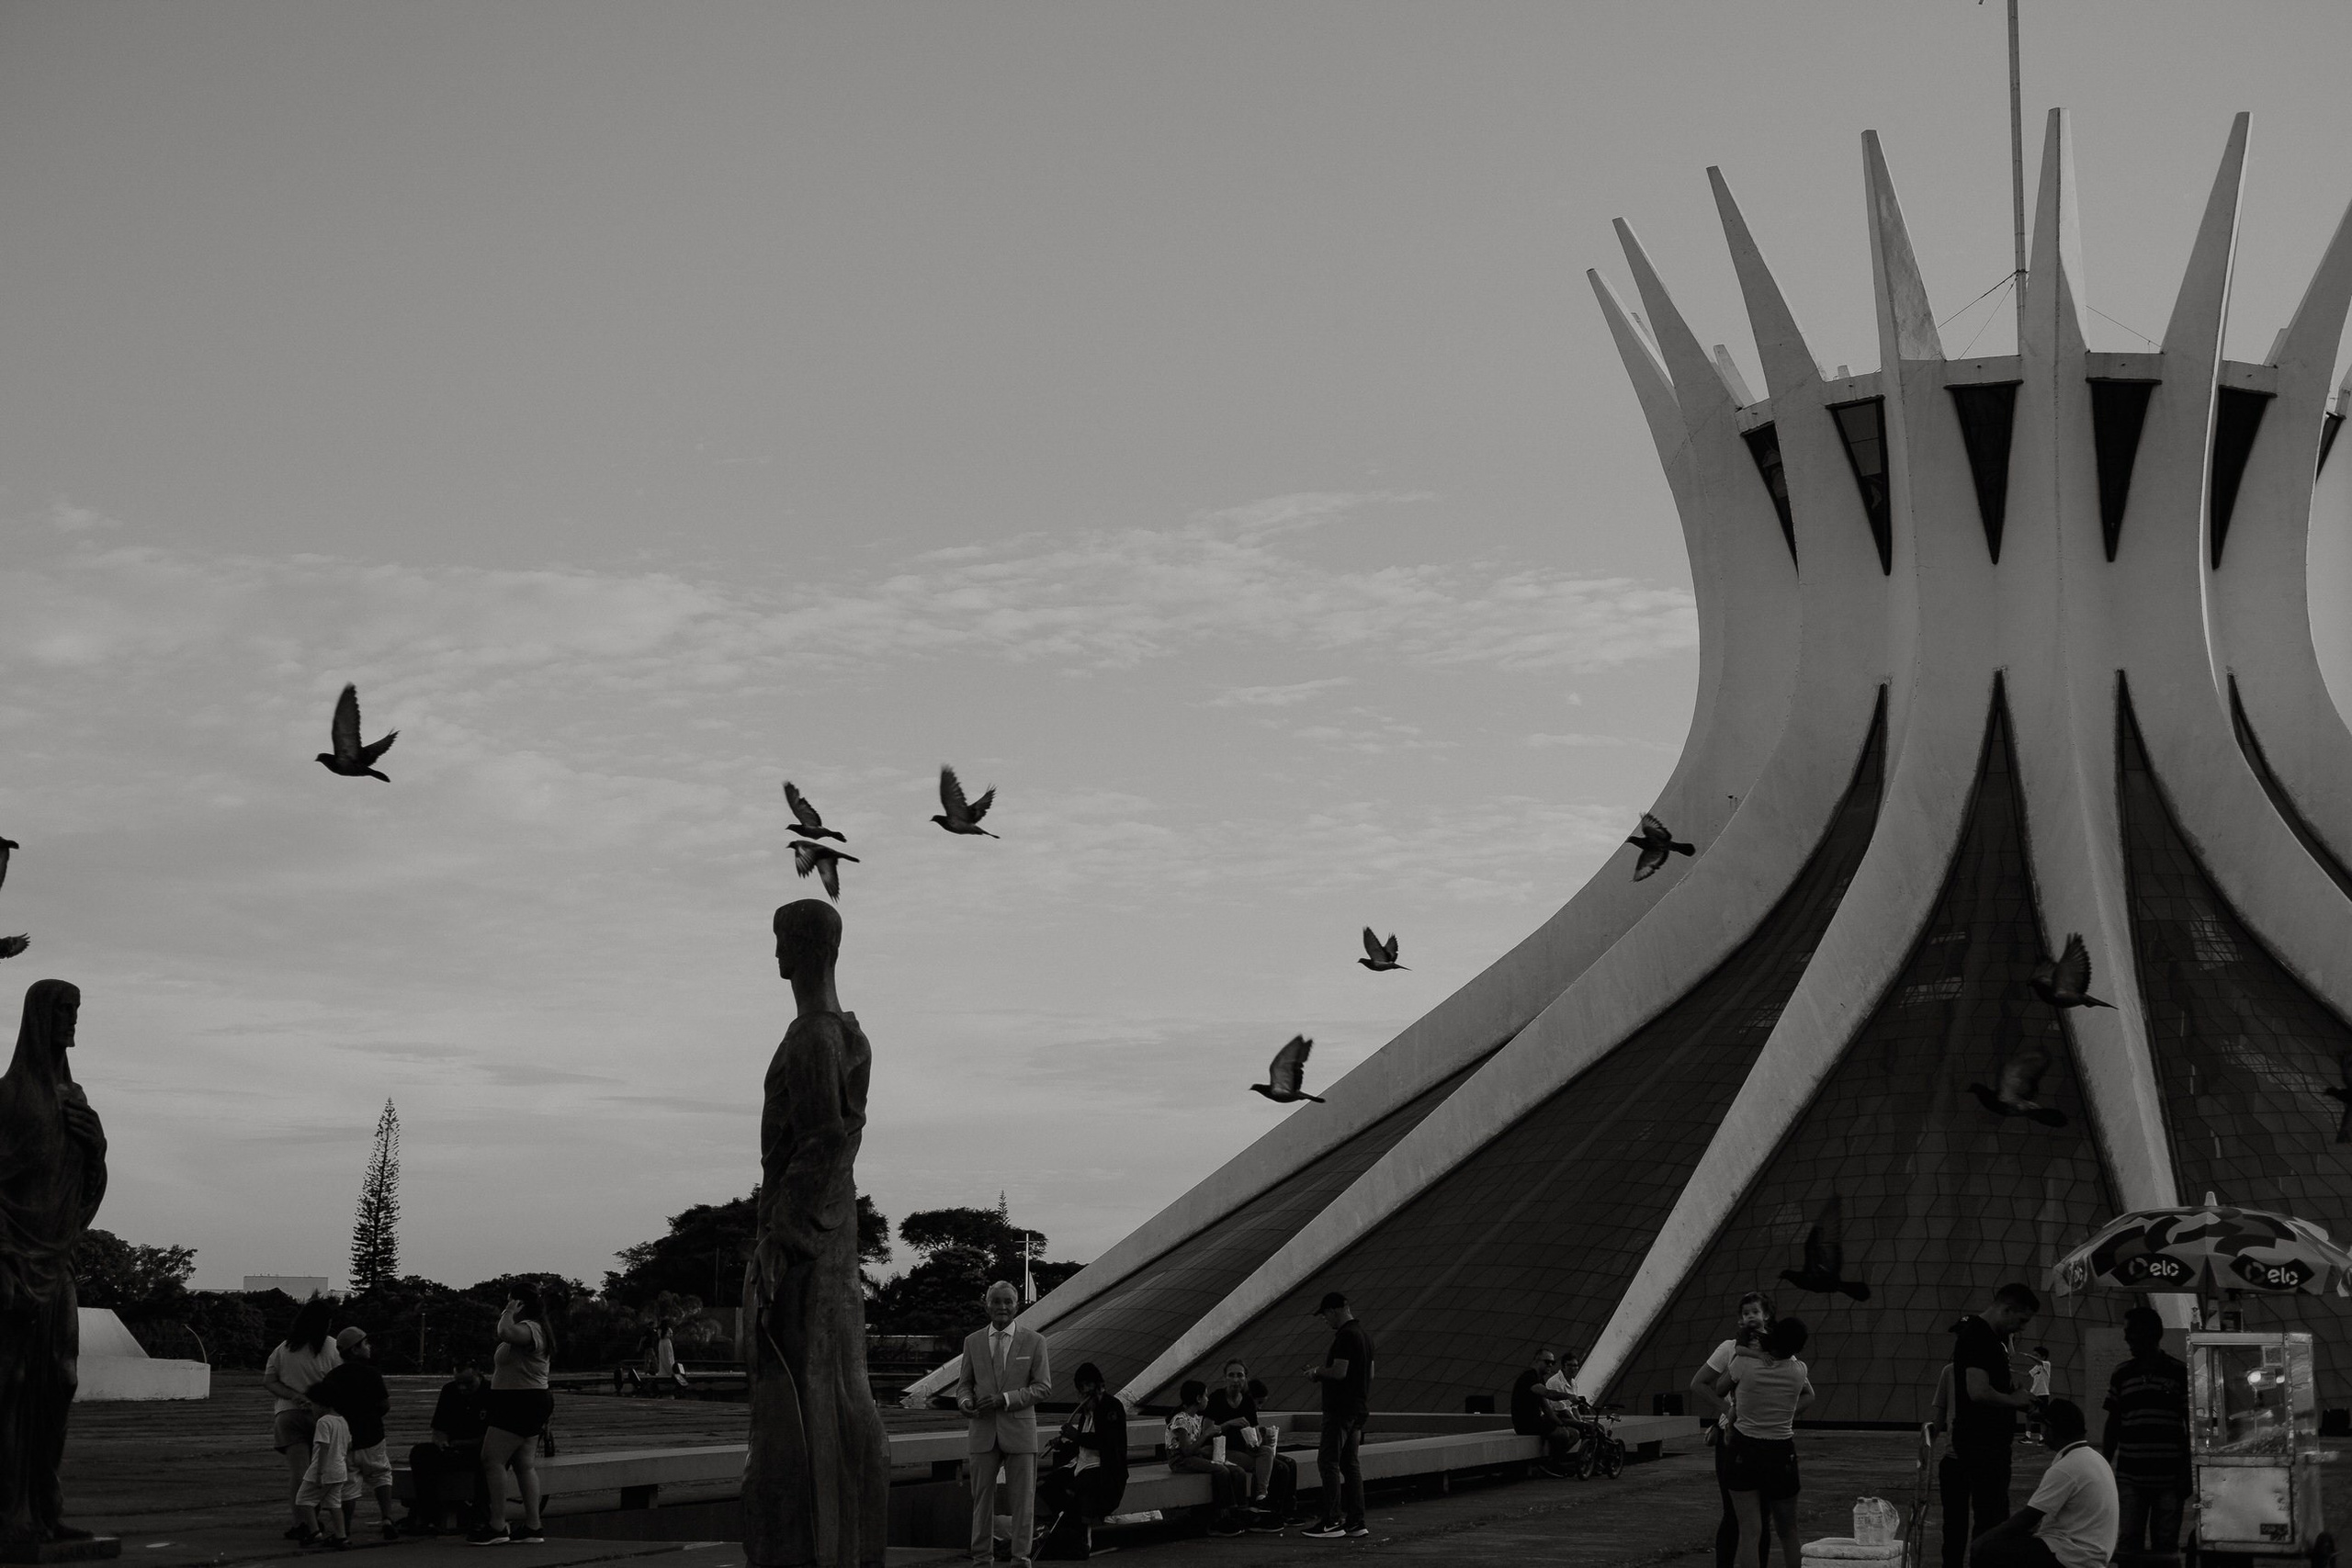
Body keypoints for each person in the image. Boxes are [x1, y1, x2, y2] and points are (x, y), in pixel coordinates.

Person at [0, 978, 109, 1551]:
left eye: (76, 1010)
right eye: (64, 1010)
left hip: (55, 1262)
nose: (72, 1020)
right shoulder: (11, 1098)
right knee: (10, 1388)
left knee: (59, 1382)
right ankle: (9, 1514)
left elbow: (83, 1195)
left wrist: (96, 1148)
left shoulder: (75, 1099)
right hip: (12, 1266)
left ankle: (45, 1509)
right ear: (40, 1017)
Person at [958, 1280, 1052, 1568]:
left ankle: (1020, 1558)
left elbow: (1043, 1387)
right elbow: (964, 1385)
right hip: (983, 1431)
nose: (1002, 1307)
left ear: (1017, 1305)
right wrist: (964, 1403)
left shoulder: (1035, 1341)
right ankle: (981, 1558)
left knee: (1023, 1501)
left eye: (1007, 1302)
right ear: (986, 1305)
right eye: (996, 1302)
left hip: (1020, 1431)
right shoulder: (973, 1342)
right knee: (981, 1500)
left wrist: (1005, 1399)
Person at [1948, 1283, 2041, 1568]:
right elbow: (1977, 1391)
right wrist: (2016, 1401)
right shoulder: (1978, 1336)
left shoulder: (1989, 1337)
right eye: (2021, 1321)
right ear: (2006, 1309)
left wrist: (2009, 1389)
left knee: (1992, 1516)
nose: (2021, 1329)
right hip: (1982, 1444)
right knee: (1992, 1519)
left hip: (1987, 1443)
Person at [1969, 1400, 2117, 1568]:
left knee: (1988, 1549)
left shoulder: (2067, 1467)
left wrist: (1982, 1540)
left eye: (2043, 1426)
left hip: (2073, 1554)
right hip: (2092, 1549)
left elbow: (2027, 1518)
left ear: (2051, 1429)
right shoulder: (2093, 1458)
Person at [1692, 1291, 1776, 1568]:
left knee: (1763, 1515)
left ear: (1767, 1315)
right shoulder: (1729, 1348)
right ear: (1740, 1320)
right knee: (1732, 1513)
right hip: (1733, 1438)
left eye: (1755, 1311)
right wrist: (1724, 1410)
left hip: (1768, 1436)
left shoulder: (1778, 1348)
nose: (1751, 1317)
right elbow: (1700, 1384)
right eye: (1746, 1313)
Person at [1724, 1316, 1815, 1568]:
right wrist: (1788, 1412)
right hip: (1781, 1450)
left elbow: (1720, 1386)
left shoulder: (1744, 1364)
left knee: (1750, 1532)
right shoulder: (1799, 1371)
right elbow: (1809, 1396)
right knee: (1789, 1531)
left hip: (1744, 1447)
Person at [469, 1287, 556, 1545]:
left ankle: (497, 1525)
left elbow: (503, 1331)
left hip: (520, 1402)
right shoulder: (537, 1329)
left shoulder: (530, 1328)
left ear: (520, 1303)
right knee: (522, 1463)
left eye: (510, 1302)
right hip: (526, 1400)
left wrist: (508, 1310)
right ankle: (532, 1526)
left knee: (492, 1459)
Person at [2101, 1307, 2189, 1562]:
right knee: (2128, 1543)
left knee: (2166, 1545)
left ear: (2150, 1333)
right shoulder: (2122, 1373)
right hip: (2130, 1477)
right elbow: (2113, 1422)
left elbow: (2190, 1424)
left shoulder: (2178, 1372)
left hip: (2170, 1478)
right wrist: (2104, 1465)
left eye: (2130, 1332)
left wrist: (2186, 1471)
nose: (2126, 1338)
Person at [264, 1298, 343, 1544]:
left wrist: (295, 1396)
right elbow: (341, 1380)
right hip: (325, 1416)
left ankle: (301, 1523)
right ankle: (318, 1521)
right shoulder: (333, 1347)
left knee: (299, 1473)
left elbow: (269, 1381)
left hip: (289, 1415)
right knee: (323, 1472)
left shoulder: (284, 1348)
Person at [309, 1327, 397, 1540]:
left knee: (348, 1485)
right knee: (381, 1474)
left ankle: (345, 1528)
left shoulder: (333, 1376)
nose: (369, 1347)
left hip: (346, 1439)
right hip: (372, 1435)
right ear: (355, 1349)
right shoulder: (372, 1373)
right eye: (365, 1344)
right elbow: (384, 1405)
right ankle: (387, 1518)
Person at [1299, 1291, 1373, 1541]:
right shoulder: (1364, 1336)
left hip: (1340, 1410)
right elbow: (1369, 1374)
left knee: (1328, 1461)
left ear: (1334, 1311)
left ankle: (1332, 1520)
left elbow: (1340, 1372)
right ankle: (1356, 1521)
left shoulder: (1345, 1336)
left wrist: (1317, 1372)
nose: (1325, 1321)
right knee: (1350, 1464)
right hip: (1358, 1409)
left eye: (1325, 1316)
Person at [1035, 1361, 1126, 1561]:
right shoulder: (1086, 1414)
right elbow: (1082, 1446)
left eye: (1086, 1386)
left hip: (1104, 1469)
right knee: (1046, 1486)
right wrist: (1064, 1444)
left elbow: (1108, 1442)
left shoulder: (1112, 1407)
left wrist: (1076, 1436)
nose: (1083, 1392)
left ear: (1097, 1385)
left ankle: (1081, 1537)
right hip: (1082, 1465)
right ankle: (1063, 1531)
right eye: (1080, 1388)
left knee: (1078, 1489)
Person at [1206, 1359, 1300, 1521]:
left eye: (1240, 1375)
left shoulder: (1248, 1401)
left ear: (1245, 1379)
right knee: (1275, 1467)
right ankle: (1261, 1510)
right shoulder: (1216, 1398)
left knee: (1268, 1453)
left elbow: (1255, 1431)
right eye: (1231, 1375)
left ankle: (1262, 1496)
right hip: (1223, 1450)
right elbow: (1206, 1431)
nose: (1236, 1380)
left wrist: (1258, 1441)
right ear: (1225, 1379)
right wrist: (1229, 1424)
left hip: (1245, 1448)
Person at [404, 1367, 489, 1535]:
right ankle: (428, 1514)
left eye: (468, 1383)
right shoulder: (449, 1391)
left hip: (479, 1449)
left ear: (480, 1376)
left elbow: (489, 1436)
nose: (462, 1388)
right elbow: (439, 1428)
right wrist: (442, 1443)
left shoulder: (491, 1392)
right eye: (459, 1383)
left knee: (487, 1462)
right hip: (453, 1448)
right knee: (420, 1453)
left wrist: (462, 1443)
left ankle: (481, 1516)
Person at [1165, 1381, 1250, 1538]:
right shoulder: (1181, 1420)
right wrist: (1206, 1434)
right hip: (1180, 1460)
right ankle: (1223, 1516)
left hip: (1194, 1456)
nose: (1207, 1399)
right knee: (1221, 1470)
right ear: (1198, 1398)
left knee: (1236, 1470)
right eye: (1205, 1395)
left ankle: (1241, 1510)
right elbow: (1187, 1451)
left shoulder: (1195, 1418)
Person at [298, 1398, 359, 1551]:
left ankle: (315, 1532)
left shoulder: (323, 1422)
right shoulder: (342, 1421)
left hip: (325, 1468)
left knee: (303, 1500)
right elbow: (350, 1444)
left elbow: (323, 1447)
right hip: (339, 1470)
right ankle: (341, 1535)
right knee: (334, 1503)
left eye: (312, 1405)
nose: (311, 1410)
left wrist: (320, 1473)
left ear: (321, 1405)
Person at [1510, 1349, 1577, 1478]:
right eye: (1547, 1362)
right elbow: (1548, 1394)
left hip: (1537, 1421)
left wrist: (1560, 1423)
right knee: (1562, 1434)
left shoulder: (1539, 1379)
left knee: (1574, 1433)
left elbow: (1546, 1407)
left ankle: (1553, 1462)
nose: (1550, 1365)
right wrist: (1569, 1396)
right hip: (1525, 1423)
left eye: (1553, 1362)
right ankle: (1552, 1465)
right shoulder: (1529, 1378)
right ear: (1536, 1361)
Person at [2026, 1348, 2052, 1444]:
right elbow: (2027, 1374)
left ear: (2043, 1356)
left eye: (2036, 1355)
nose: (2034, 1357)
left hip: (2043, 1393)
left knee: (2043, 1416)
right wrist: (2012, 1371)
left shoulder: (2046, 1364)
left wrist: (2029, 1356)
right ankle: (2027, 1436)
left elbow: (2039, 1361)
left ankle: (2042, 1438)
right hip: (2034, 1393)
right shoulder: (2036, 1367)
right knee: (2029, 1414)